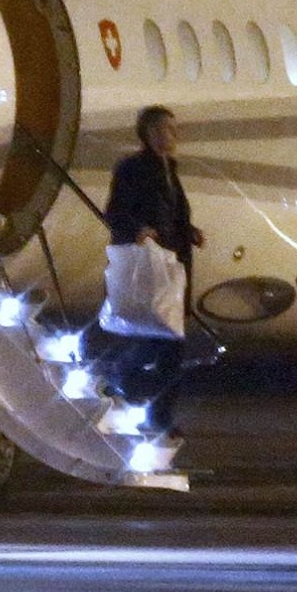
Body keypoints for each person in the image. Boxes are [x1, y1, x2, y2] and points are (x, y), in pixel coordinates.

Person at [96, 105, 205, 434]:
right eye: (163, 129)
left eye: (173, 128)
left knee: (169, 346)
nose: (171, 135)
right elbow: (115, 212)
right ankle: (128, 382)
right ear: (147, 133)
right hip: (150, 268)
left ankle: (157, 415)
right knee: (163, 342)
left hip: (172, 267)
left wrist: (189, 231)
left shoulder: (169, 168)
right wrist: (138, 230)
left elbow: (173, 215)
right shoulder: (133, 168)